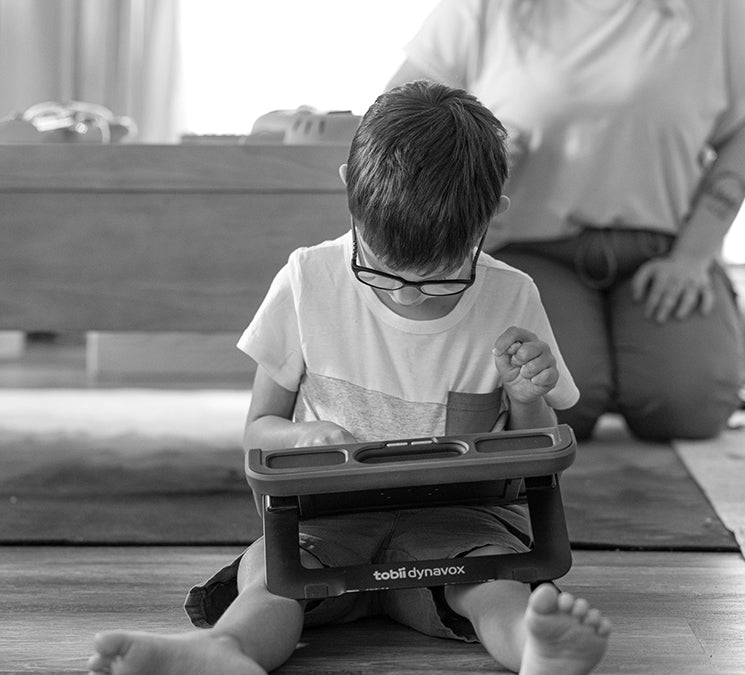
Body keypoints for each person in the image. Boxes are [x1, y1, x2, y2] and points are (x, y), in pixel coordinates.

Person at [87, 81, 610, 675]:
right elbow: (258, 431)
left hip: (460, 528)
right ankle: (222, 652)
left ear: (492, 216)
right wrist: (302, 440)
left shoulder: (513, 295)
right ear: (348, 191)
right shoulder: (308, 279)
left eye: (438, 279)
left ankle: (534, 650)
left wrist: (526, 399)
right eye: (382, 273)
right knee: (269, 578)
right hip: (325, 527)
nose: (405, 295)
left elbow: (532, 453)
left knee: (493, 580)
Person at [387, 0, 745, 441]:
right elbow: (395, 122)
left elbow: (741, 133)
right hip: (529, 251)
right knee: (562, 405)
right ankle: (608, 367)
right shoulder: (481, 9)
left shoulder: (718, 11)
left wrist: (693, 258)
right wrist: (476, 153)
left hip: (666, 251)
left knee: (686, 409)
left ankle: (625, 359)